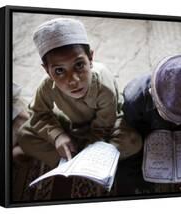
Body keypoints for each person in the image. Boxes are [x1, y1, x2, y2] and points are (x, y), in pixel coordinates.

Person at [17, 18, 142, 170]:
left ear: (90, 58)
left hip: (106, 127)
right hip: (73, 125)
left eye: (79, 65)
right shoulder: (47, 85)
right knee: (24, 134)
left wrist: (91, 147)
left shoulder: (103, 85)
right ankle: (74, 164)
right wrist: (58, 136)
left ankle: (81, 161)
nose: (73, 80)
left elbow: (105, 124)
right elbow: (39, 113)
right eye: (59, 71)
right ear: (47, 71)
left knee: (131, 141)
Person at [122, 55, 181, 193]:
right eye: (172, 118)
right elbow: (134, 132)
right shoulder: (133, 99)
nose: (177, 123)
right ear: (152, 94)